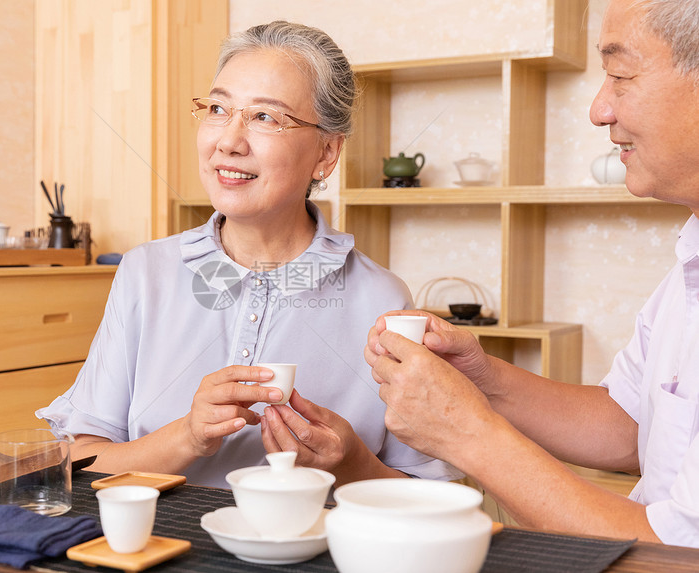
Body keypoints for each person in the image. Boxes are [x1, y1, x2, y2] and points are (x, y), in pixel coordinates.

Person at [38, 21, 458, 489]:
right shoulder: (145, 273)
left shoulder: (382, 298)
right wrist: (189, 436)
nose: (228, 141)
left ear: (326, 153)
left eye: (265, 118)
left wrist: (351, 466)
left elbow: (431, 497)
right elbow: (81, 463)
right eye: (218, 108)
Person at [366, 0, 699, 547]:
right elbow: (630, 424)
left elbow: (677, 554)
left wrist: (466, 432)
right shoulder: (688, 260)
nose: (598, 110)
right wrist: (482, 381)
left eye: (619, 75)